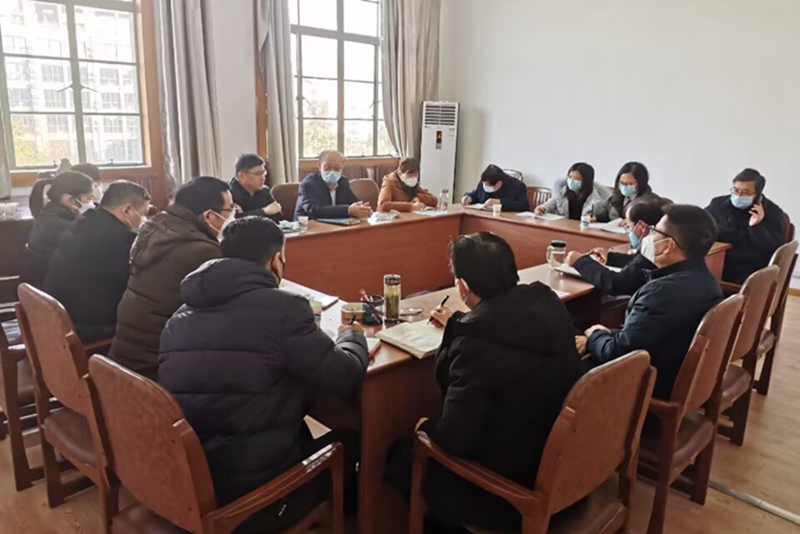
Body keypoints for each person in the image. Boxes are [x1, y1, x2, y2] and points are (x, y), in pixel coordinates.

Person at [159, 216, 369, 533]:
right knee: (351, 438)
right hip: (253, 495)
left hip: (193, 477)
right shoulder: (284, 309)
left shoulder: (179, 316)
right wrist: (352, 336)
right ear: (276, 260)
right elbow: (346, 375)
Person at [384, 232, 585, 532]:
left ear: (462, 286)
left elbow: (455, 439)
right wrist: (461, 321)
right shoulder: (548, 304)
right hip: (567, 472)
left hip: (513, 495)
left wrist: (424, 428)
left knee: (401, 456)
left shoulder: (474, 343)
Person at [578, 205, 723, 399]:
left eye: (654, 231)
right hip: (672, 370)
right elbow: (650, 334)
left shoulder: (662, 293)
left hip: (646, 386)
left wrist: (594, 335)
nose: (649, 237)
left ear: (668, 245)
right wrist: (608, 334)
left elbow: (617, 354)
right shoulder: (708, 281)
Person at [109, 176, 233, 380]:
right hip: (156, 367)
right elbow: (226, 313)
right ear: (209, 216)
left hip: (125, 356)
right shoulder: (203, 252)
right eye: (230, 209)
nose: (233, 215)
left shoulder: (155, 228)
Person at [43, 181, 151, 344]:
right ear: (127, 210)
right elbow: (138, 283)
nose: (144, 219)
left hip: (61, 315)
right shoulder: (119, 239)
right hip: (88, 328)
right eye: (144, 213)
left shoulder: (83, 222)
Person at [565, 198, 669, 296]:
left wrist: (580, 262)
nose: (628, 231)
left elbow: (616, 284)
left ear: (641, 226)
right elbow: (637, 263)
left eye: (628, 226)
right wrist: (610, 257)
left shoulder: (653, 250)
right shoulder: (662, 246)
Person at [705, 169, 786, 284]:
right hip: (718, 259)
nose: (738, 195)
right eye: (735, 190)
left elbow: (773, 248)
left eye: (746, 192)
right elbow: (700, 225)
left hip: (748, 268)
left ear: (757, 195)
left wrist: (756, 226)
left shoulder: (772, 212)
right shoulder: (719, 204)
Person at [21, 171, 95, 288]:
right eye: (89, 198)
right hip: (56, 292)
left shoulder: (46, 217)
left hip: (41, 288)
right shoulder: (67, 228)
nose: (92, 203)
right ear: (71, 200)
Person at [295, 150, 372, 220]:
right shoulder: (308, 184)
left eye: (337, 168)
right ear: (319, 166)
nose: (332, 171)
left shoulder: (342, 181)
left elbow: (352, 202)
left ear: (342, 168)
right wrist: (348, 210)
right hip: (306, 227)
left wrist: (362, 209)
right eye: (327, 167)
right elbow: (314, 210)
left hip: (335, 226)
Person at [534, 163, 610, 220]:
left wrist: (595, 218)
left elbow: (602, 216)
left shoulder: (597, 199)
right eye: (570, 177)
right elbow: (554, 202)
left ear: (586, 181)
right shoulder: (563, 191)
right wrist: (543, 208)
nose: (572, 181)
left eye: (577, 178)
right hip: (564, 227)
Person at [592, 161, 658, 222]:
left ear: (641, 183)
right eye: (622, 183)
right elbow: (600, 209)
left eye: (630, 184)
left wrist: (633, 221)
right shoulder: (616, 198)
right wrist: (595, 216)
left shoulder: (651, 202)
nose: (624, 187)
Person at [229, 153, 283, 221]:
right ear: (242, 176)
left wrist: (245, 214)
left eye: (263, 173)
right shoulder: (228, 194)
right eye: (258, 174)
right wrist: (264, 211)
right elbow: (234, 220)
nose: (263, 178)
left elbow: (278, 218)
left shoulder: (264, 191)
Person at [461, 165, 529, 212]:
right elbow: (477, 193)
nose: (484, 186)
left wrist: (499, 202)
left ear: (499, 184)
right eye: (483, 184)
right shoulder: (485, 181)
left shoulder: (517, 186)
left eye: (487, 185)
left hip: (506, 220)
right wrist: (469, 197)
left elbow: (524, 206)